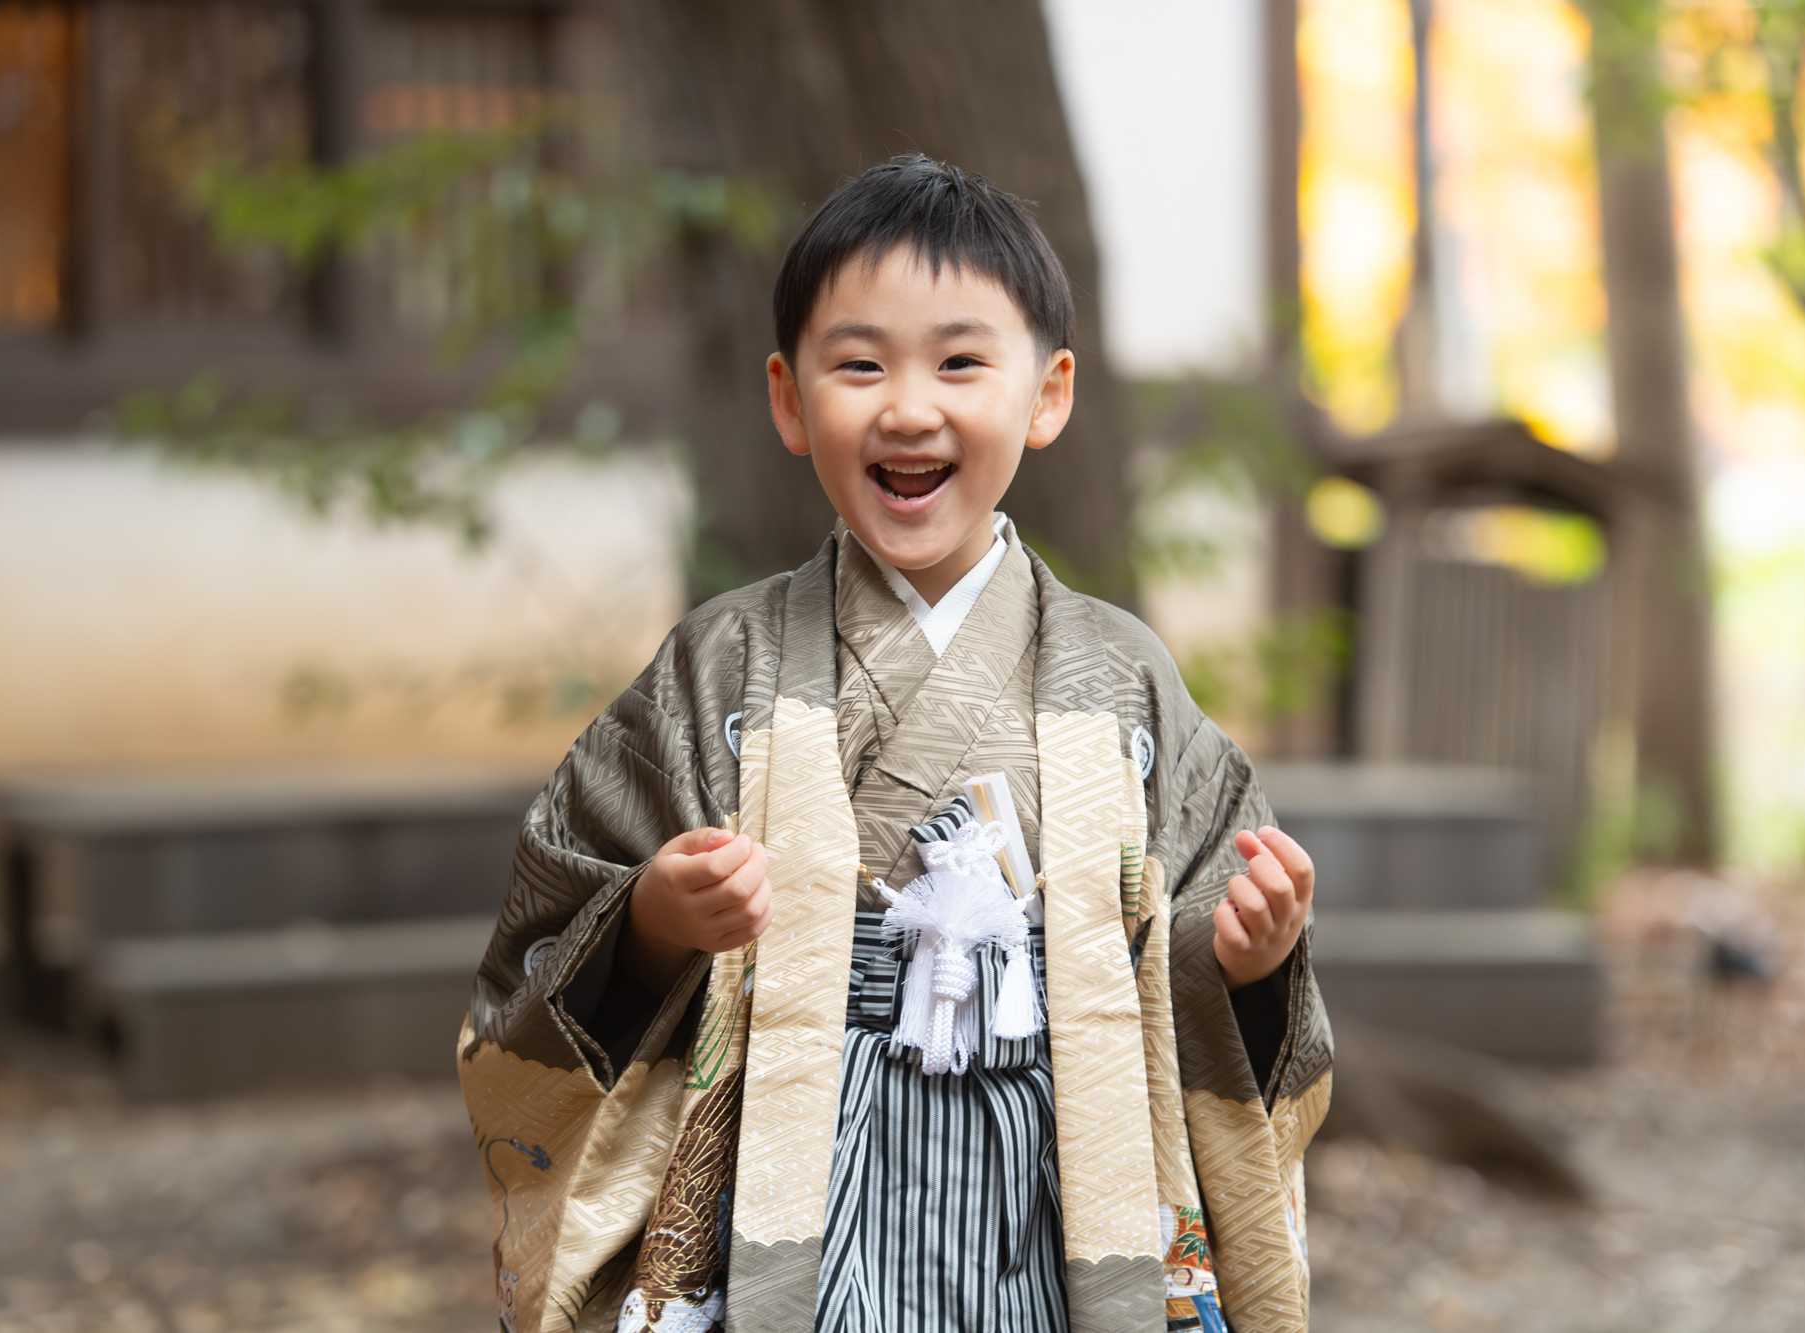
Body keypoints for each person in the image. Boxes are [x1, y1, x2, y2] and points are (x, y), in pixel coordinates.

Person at [459, 155, 1332, 1333]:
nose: (908, 406)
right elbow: (555, 920)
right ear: (786, 397)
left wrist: (1237, 958)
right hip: (783, 1163)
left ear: (1048, 393)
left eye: (961, 361)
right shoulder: (720, 663)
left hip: (1058, 1188)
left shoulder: (1116, 674)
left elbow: (1179, 938)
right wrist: (657, 924)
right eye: (859, 363)